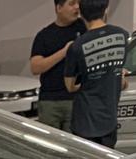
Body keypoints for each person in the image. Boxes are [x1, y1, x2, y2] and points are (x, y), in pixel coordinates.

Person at [64, 0, 130, 148]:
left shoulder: (77, 46)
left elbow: (69, 86)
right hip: (109, 119)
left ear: (81, 14)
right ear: (106, 9)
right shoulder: (122, 36)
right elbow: (120, 79)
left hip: (84, 120)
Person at [29, 0, 83, 132]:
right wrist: (64, 52)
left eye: (78, 3)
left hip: (77, 98)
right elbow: (35, 67)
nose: (77, 7)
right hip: (50, 100)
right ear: (59, 8)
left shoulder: (84, 28)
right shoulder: (44, 35)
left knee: (74, 140)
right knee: (50, 141)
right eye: (71, 4)